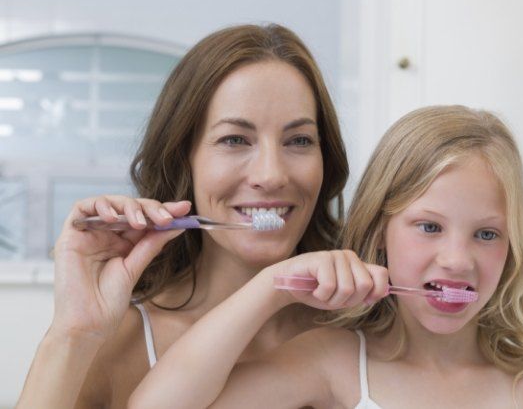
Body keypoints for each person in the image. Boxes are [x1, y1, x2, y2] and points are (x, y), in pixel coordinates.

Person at [129, 105, 523, 408]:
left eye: (487, 233)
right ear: (381, 231)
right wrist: (270, 286)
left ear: (513, 245)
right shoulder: (333, 360)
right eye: (429, 227)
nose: (458, 259)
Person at [16, 23, 349, 408]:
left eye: (299, 140)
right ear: (183, 159)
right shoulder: (117, 343)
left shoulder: (367, 331)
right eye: (235, 140)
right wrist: (74, 333)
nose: (271, 175)